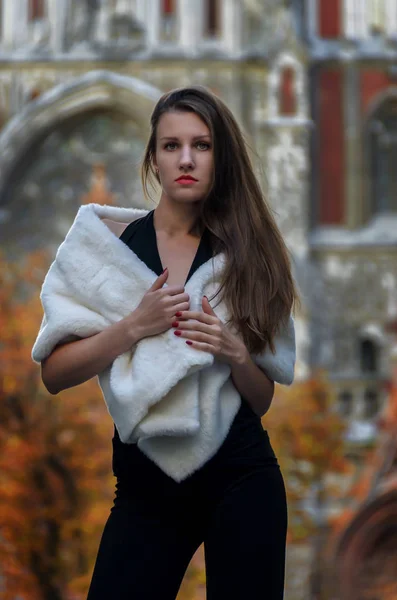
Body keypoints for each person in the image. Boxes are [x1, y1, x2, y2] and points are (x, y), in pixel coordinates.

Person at [37, 86, 299, 599]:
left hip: (241, 476)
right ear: (153, 159)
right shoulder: (105, 247)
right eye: (171, 145)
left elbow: (262, 398)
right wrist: (132, 327)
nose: (186, 159)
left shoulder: (251, 255)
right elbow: (53, 374)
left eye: (202, 146)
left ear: (221, 159)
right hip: (145, 485)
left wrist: (235, 352)